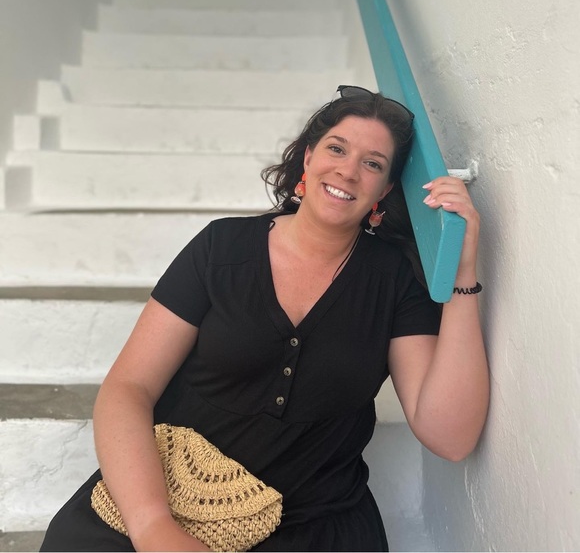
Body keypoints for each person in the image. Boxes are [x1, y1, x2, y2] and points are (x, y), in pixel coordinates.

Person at [40, 85, 489, 552]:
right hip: (170, 497)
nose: (348, 171)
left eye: (373, 164)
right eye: (337, 149)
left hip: (311, 522)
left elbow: (451, 437)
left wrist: (462, 273)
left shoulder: (393, 280)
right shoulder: (222, 248)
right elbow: (128, 388)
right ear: (308, 158)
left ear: (386, 189)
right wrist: (154, 526)